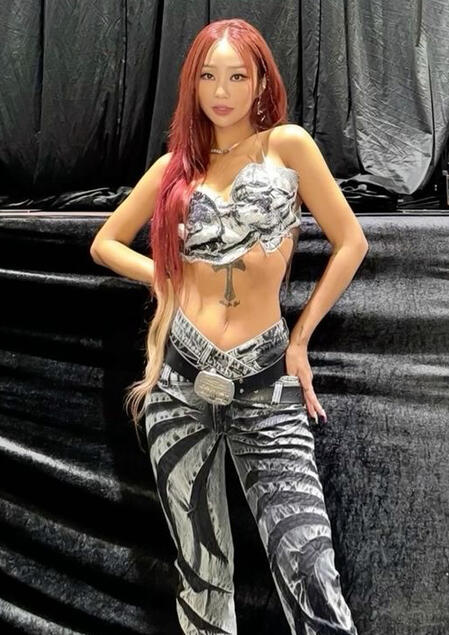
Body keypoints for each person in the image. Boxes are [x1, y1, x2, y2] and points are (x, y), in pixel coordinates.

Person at [90, 17, 367, 635]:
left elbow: (351, 242)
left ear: (261, 80)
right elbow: (104, 242)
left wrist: (300, 340)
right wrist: (167, 278)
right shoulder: (175, 169)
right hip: (179, 380)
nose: (222, 91)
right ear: (192, 84)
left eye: (238, 76)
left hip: (266, 379)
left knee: (310, 565)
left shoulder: (287, 146)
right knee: (200, 574)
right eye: (209, 77)